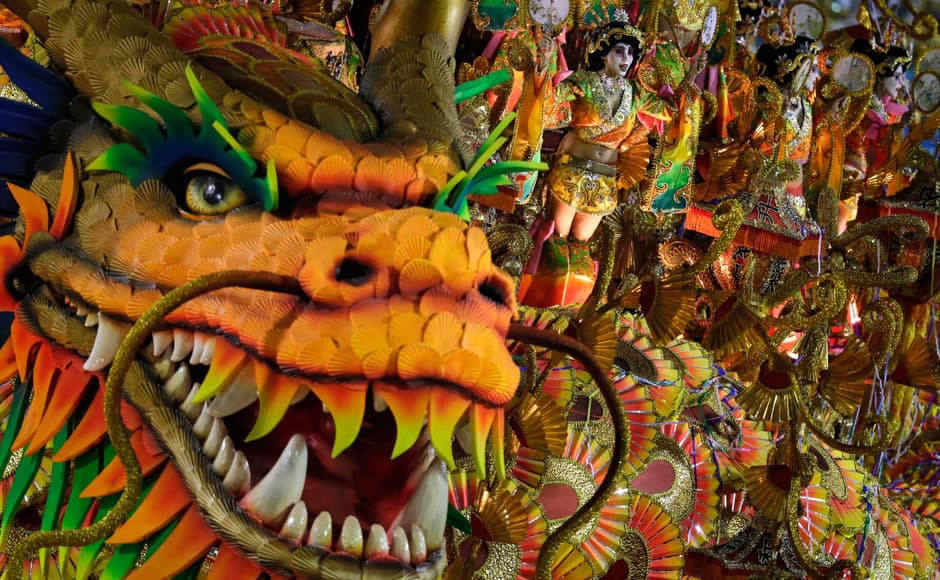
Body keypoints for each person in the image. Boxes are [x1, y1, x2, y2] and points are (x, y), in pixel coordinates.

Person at [521, 20, 666, 307]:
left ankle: (569, 312)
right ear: (603, 52)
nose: (626, 59)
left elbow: (670, 113)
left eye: (630, 54)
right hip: (571, 171)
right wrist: (545, 65)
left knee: (581, 248)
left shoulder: (636, 94)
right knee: (556, 242)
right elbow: (550, 107)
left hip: (604, 181)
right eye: (620, 51)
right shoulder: (584, 82)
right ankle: (536, 305)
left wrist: (691, 96)